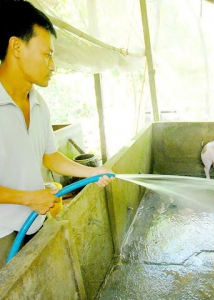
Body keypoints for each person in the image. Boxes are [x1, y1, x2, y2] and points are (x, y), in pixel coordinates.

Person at [0, 0, 115, 267]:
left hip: (34, 222)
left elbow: (49, 156)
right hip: (3, 234)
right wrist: (29, 197)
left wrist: (91, 173)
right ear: (16, 46)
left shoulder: (39, 103)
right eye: (47, 54)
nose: (52, 66)